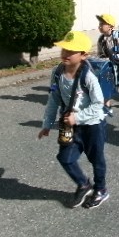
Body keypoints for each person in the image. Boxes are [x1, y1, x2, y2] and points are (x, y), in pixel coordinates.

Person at [38, 31, 110, 209]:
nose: (65, 54)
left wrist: (77, 117)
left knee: (96, 159)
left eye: (71, 51)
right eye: (64, 49)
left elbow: (98, 104)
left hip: (93, 125)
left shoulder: (88, 77)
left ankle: (101, 189)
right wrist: (47, 124)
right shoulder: (57, 72)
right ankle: (84, 184)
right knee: (65, 158)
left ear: (83, 55)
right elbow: (53, 99)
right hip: (71, 125)